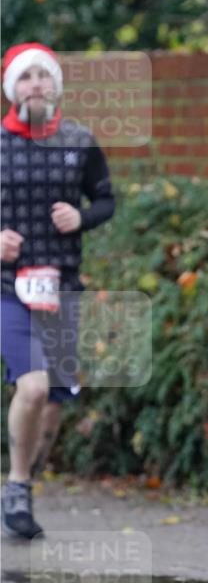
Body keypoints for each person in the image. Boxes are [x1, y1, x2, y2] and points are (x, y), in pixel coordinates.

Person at [1, 42, 115, 539]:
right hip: (8, 287)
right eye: (25, 78)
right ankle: (18, 483)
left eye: (42, 77)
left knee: (53, 402)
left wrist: (81, 217)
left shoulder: (78, 139)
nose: (35, 86)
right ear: (12, 89)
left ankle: (23, 482)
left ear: (55, 86)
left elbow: (106, 200)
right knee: (33, 386)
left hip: (64, 287)